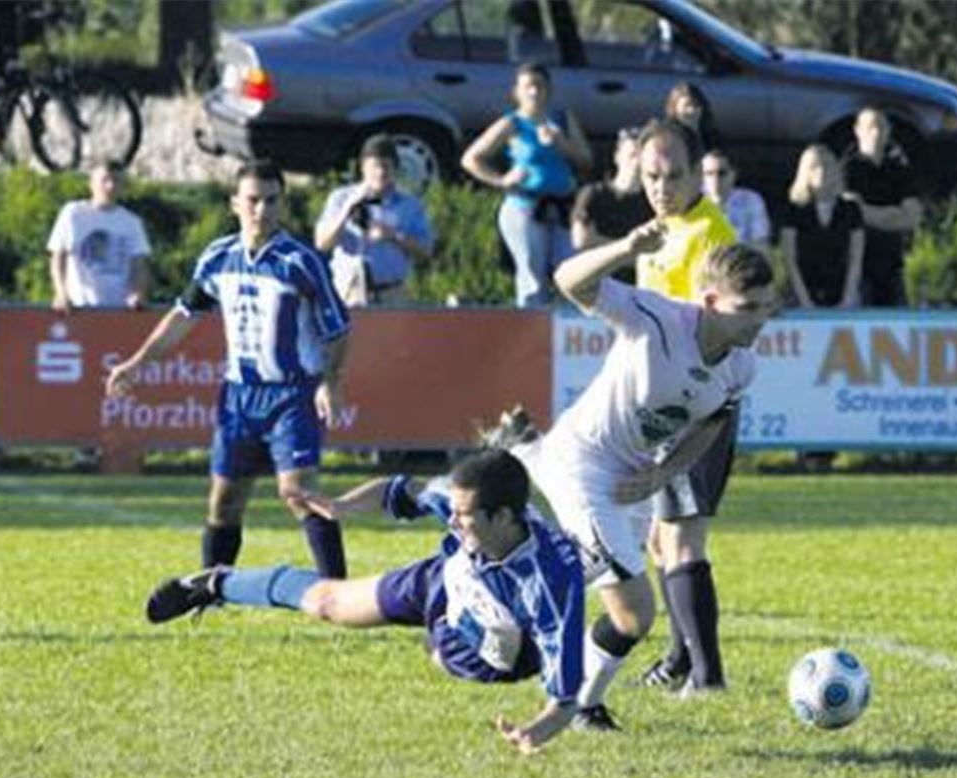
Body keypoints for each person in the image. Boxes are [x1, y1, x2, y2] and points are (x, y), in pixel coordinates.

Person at [493, 239, 776, 730]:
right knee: (635, 613)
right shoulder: (658, 319)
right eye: (747, 308)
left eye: (767, 307)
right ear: (710, 302)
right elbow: (568, 280)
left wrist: (665, 473)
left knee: (609, 601)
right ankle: (571, 698)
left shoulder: (741, 365)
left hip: (631, 482)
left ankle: (524, 456)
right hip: (586, 468)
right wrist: (627, 247)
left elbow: (710, 425)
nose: (760, 320)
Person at [144, 449, 586, 755]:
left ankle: (438, 646)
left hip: (500, 642)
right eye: (452, 511)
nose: (452, 520)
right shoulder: (465, 503)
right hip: (444, 580)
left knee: (465, 653)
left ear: (505, 517)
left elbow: (564, 695)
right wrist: (341, 506)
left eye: (465, 517)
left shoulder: (551, 583)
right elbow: (399, 489)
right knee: (328, 603)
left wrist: (535, 731)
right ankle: (215, 583)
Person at [106, 159, 351, 577]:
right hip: (239, 397)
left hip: (292, 394)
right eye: (253, 200)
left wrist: (329, 382)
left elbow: (339, 330)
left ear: (282, 204)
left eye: (272, 200)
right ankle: (209, 589)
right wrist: (137, 362)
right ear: (234, 203)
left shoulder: (301, 261)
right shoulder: (218, 259)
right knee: (224, 500)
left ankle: (338, 590)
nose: (262, 210)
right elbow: (183, 316)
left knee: (298, 491)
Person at [630, 119, 743, 698]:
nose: (661, 185)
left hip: (697, 404)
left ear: (697, 171)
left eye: (673, 174)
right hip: (666, 405)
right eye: (651, 174)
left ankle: (708, 677)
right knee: (659, 540)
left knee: (683, 541)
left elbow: (719, 323)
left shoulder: (709, 234)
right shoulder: (659, 230)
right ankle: (680, 658)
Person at [461, 62, 592, 308]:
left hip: (562, 206)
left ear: (549, 90)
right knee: (532, 275)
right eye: (528, 86)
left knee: (570, 271)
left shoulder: (562, 119)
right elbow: (471, 159)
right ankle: (532, 332)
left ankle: (565, 328)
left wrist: (561, 143)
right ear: (517, 92)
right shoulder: (512, 124)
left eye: (540, 86)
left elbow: (586, 159)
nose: (534, 92)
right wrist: (501, 180)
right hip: (525, 206)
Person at [315, 133, 434, 307]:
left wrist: (394, 236)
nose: (380, 173)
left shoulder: (410, 205)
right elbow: (322, 243)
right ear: (363, 168)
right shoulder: (340, 198)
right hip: (348, 291)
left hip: (392, 294)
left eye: (386, 167)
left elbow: (426, 251)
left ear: (396, 169)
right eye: (375, 166)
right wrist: (346, 211)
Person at [841, 107, 923, 307]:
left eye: (881, 127)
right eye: (870, 127)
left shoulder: (900, 169)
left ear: (889, 131)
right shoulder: (847, 168)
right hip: (858, 268)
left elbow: (911, 218)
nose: (876, 133)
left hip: (893, 267)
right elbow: (853, 214)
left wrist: (869, 213)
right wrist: (893, 216)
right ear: (857, 130)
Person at [47, 160, 151, 313]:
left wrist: (137, 294)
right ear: (92, 183)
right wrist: (61, 293)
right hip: (77, 308)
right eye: (105, 180)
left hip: (118, 311)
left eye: (116, 181)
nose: (110, 186)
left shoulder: (131, 223)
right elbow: (58, 256)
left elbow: (139, 265)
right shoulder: (73, 214)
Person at [781, 144, 864, 310]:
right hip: (802, 293)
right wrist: (805, 302)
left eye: (827, 165)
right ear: (805, 172)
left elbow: (856, 257)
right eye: (814, 167)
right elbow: (790, 259)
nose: (822, 171)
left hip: (843, 291)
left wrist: (847, 299)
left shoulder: (851, 209)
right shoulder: (793, 210)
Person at [570, 126, 652, 283]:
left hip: (639, 287)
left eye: (642, 156)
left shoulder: (652, 201)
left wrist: (603, 246)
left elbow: (655, 254)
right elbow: (581, 241)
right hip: (598, 284)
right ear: (617, 156)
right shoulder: (593, 194)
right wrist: (631, 250)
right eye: (632, 154)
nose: (636, 161)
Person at [701, 149, 771, 256]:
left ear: (733, 174)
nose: (715, 179)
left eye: (721, 173)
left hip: (740, 266)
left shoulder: (751, 200)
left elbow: (760, 245)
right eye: (709, 174)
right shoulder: (691, 200)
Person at [664, 82, 718, 153]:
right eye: (686, 105)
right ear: (675, 108)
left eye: (696, 105)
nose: (692, 110)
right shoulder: (667, 137)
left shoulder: (710, 138)